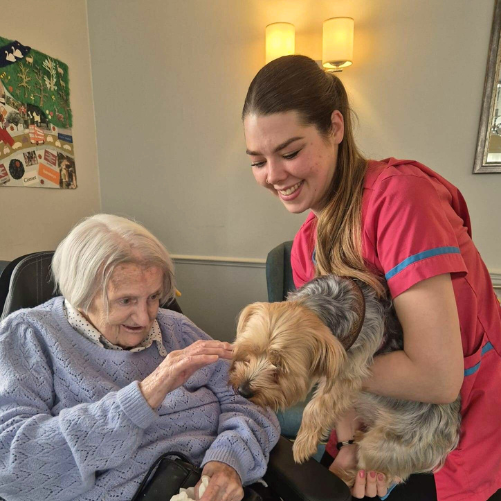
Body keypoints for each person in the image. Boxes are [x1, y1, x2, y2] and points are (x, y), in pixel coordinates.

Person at [242, 55, 501, 501]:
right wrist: (348, 442)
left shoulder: (402, 200)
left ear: (336, 128)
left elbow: (437, 378)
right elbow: (335, 370)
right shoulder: (307, 245)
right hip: (373, 424)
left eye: (289, 152)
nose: (273, 175)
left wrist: (324, 371)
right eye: (257, 161)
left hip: (460, 436)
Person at [0, 214, 280, 501]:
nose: (146, 318)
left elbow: (251, 400)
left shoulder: (176, 328)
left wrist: (228, 460)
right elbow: (13, 467)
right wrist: (146, 394)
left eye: (154, 297)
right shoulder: (29, 335)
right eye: (126, 300)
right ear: (80, 293)